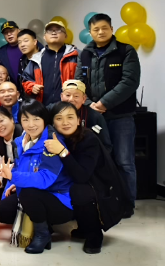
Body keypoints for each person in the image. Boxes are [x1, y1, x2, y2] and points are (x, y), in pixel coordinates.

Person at [45, 102, 131, 254]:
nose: (65, 122)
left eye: (70, 117)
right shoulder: (57, 138)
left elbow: (82, 176)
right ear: (53, 123)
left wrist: (62, 152)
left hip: (102, 187)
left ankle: (94, 235)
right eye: (59, 118)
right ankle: (83, 227)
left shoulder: (88, 138)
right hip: (81, 181)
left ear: (78, 120)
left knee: (79, 191)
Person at [0, 100, 74, 255]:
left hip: (59, 198)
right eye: (25, 119)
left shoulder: (53, 142)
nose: (31, 124)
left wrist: (14, 177)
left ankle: (42, 234)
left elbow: (45, 179)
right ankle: (41, 221)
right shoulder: (21, 141)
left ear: (44, 119)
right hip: (36, 195)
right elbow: (19, 169)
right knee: (1, 210)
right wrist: (12, 184)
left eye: (36, 119)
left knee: (28, 193)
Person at [76, 13, 141, 208]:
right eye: (96, 29)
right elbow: (79, 82)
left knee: (124, 162)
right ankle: (106, 203)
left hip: (120, 116)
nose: (100, 32)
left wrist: (104, 103)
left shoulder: (125, 51)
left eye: (104, 28)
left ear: (112, 29)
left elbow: (130, 81)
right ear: (90, 32)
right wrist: (89, 104)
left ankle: (127, 204)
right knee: (99, 161)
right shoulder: (84, 54)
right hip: (94, 117)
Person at [21, 20, 79, 107]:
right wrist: (32, 87)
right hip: (42, 106)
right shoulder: (37, 58)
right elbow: (25, 79)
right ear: (44, 37)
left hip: (68, 106)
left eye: (58, 30)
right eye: (49, 30)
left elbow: (83, 80)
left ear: (65, 36)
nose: (54, 32)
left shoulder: (76, 55)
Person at [61, 80, 112, 152]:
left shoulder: (95, 116)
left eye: (76, 96)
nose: (71, 99)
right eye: (68, 95)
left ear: (84, 99)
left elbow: (106, 146)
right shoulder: (53, 111)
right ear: (61, 96)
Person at [0, 107, 21, 199]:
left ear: (11, 119)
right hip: (11, 182)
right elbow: (1, 170)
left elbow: (26, 166)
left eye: (1, 121)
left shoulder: (24, 135)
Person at [17, 29, 42, 94]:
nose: (22, 45)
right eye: (19, 42)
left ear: (35, 42)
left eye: (26, 41)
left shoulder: (43, 58)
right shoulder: (22, 61)